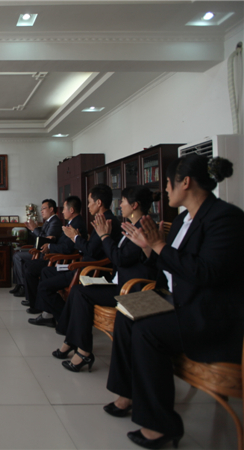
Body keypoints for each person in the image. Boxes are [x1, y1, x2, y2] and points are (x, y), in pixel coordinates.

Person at [106, 155, 244, 449]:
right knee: (126, 310)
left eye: (168, 183)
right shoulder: (182, 219)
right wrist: (150, 249)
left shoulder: (225, 218)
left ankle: (160, 425)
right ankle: (127, 393)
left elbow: (207, 273)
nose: (165, 190)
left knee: (147, 331)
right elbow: (169, 265)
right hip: (175, 298)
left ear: (185, 182)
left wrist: (158, 245)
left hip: (207, 311)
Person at [54, 186, 158, 372]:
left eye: (123, 201)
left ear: (134, 205)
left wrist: (104, 236)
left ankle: (80, 349)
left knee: (80, 293)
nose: (120, 205)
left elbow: (118, 258)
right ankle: (73, 343)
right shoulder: (131, 225)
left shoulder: (143, 229)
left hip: (131, 291)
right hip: (120, 283)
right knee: (78, 291)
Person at [27, 185, 122, 326]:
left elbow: (91, 251)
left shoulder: (106, 221)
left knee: (44, 286)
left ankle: (66, 320)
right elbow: (91, 248)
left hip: (87, 269)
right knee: (46, 272)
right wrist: (77, 238)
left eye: (89, 202)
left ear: (99, 203)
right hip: (83, 264)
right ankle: (49, 314)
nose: (88, 206)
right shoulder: (103, 219)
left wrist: (76, 238)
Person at [21, 195, 87, 314]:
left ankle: (37, 304)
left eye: (64, 208)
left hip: (62, 260)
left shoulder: (76, 224)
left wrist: (50, 246)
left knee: (31, 268)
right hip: (55, 256)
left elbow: (67, 248)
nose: (62, 211)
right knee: (29, 266)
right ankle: (37, 304)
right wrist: (53, 240)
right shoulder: (72, 222)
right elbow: (63, 242)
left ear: (71, 210)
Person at [9, 199, 63, 297]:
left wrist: (35, 229)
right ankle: (20, 284)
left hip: (44, 253)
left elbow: (46, 240)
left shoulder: (55, 222)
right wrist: (33, 229)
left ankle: (23, 286)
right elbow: (39, 238)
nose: (41, 211)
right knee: (17, 254)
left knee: (18, 256)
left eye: (44, 208)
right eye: (41, 209)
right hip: (37, 250)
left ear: (51, 209)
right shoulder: (48, 221)